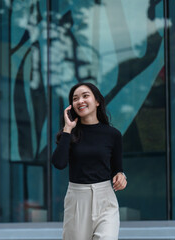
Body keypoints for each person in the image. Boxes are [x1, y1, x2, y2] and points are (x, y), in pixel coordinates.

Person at [52, 82, 127, 240]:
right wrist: (67, 129)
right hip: (77, 200)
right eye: (75, 98)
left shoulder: (113, 135)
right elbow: (59, 163)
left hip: (105, 199)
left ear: (97, 101)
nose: (80, 101)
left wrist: (121, 175)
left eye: (85, 96)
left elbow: (117, 168)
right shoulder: (69, 134)